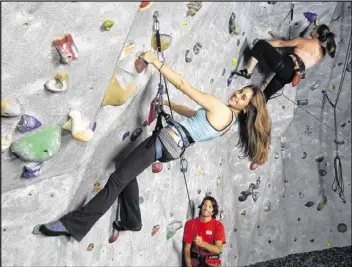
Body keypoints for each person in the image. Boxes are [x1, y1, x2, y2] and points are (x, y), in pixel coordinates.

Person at [37, 51, 271, 242]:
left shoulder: (220, 108)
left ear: (246, 109)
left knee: (117, 180)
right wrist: (168, 103)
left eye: (243, 98)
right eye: (240, 91)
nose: (237, 95)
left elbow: (182, 84)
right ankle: (132, 220)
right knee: (126, 171)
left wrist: (155, 61)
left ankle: (74, 225)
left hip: (162, 143)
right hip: (169, 148)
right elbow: (193, 115)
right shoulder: (227, 123)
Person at [235, 24, 337, 102]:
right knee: (265, 96)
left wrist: (265, 43)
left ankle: (248, 72)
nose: (313, 29)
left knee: (261, 44)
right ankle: (252, 116)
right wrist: (318, 28)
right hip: (290, 77)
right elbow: (318, 43)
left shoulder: (302, 40)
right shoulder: (321, 54)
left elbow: (281, 43)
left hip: (285, 66)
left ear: (317, 34)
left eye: (315, 29)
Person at [183, 196, 226, 267]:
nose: (206, 208)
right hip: (195, 263)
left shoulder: (218, 226)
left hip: (212, 264)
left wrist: (203, 244)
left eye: (210, 207)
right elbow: (186, 249)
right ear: (201, 207)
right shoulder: (190, 224)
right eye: (204, 205)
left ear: (213, 212)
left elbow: (218, 249)